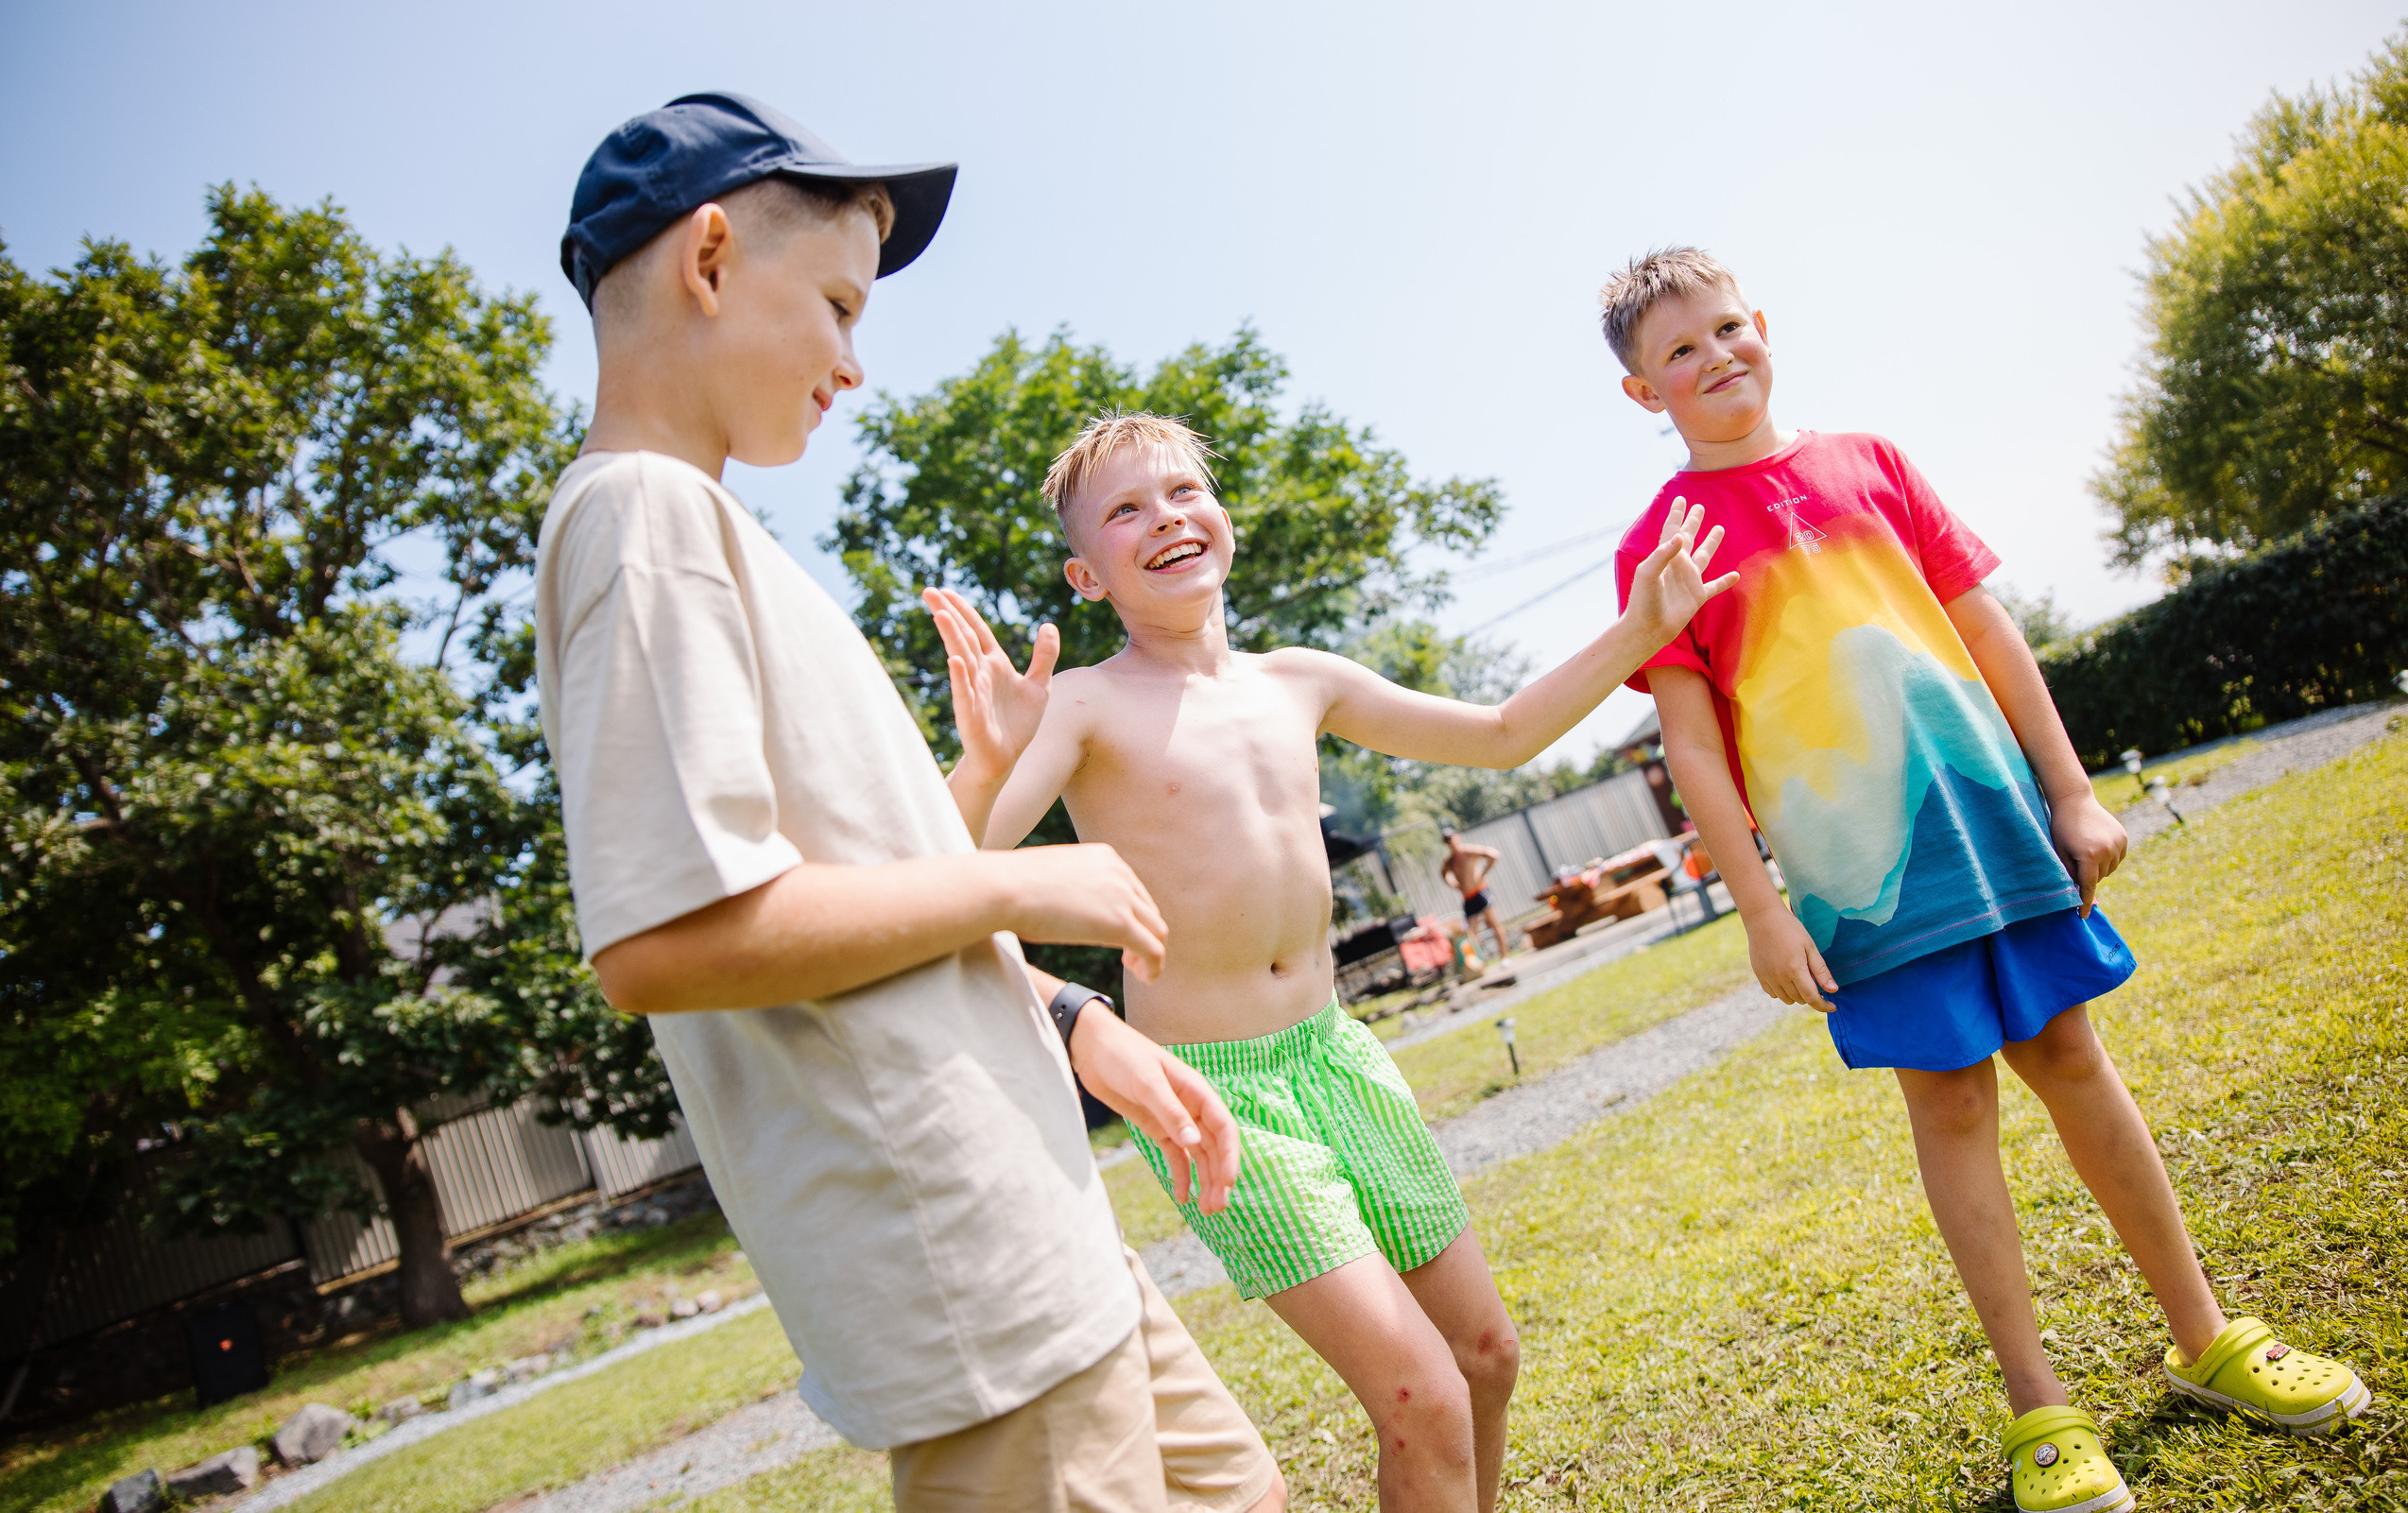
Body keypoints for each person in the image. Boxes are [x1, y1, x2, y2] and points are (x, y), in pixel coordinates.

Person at [535, 95, 1284, 1513]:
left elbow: (835, 898)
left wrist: (1007, 860)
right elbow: (668, 939)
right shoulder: (643, 521)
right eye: (835, 304)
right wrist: (1023, 880)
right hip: (956, 1248)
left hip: (1026, 1201)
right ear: (707, 259)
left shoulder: (701, 526)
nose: (852, 364)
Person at [1600, 247, 2372, 1513]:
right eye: (1679, 350)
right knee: (1949, 1101)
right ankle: (2042, 1410)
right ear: (1643, 394)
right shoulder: (1663, 545)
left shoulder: (1874, 463)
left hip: (1995, 823)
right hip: (1865, 883)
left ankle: (2212, 1338)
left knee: (2073, 1055)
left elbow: (1987, 628)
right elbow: (1691, 741)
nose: (1716, 356)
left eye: (1729, 327)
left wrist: (2070, 787)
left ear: (1766, 324)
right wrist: (1761, 906)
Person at [924, 413, 1735, 1513]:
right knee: (1422, 1401)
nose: (1163, 516)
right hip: (1219, 1094)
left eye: (1181, 492)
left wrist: (1638, 630)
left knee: (1484, 1359)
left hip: (1336, 1054)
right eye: (1124, 510)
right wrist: (981, 763)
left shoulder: (1299, 680)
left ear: (1222, 520)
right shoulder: (1078, 705)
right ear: (1085, 575)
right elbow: (944, 875)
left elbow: (1498, 732)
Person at [1436, 829, 1509, 960]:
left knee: (1493, 924)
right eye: (1447, 840)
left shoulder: (1469, 851)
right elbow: (1443, 874)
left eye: (1451, 838)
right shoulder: (1450, 860)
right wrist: (1455, 885)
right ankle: (1479, 962)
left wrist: (1483, 873)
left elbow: (1493, 854)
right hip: (1468, 898)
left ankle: (1504, 956)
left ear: (1456, 837)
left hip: (1480, 892)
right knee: (1472, 933)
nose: (1450, 842)